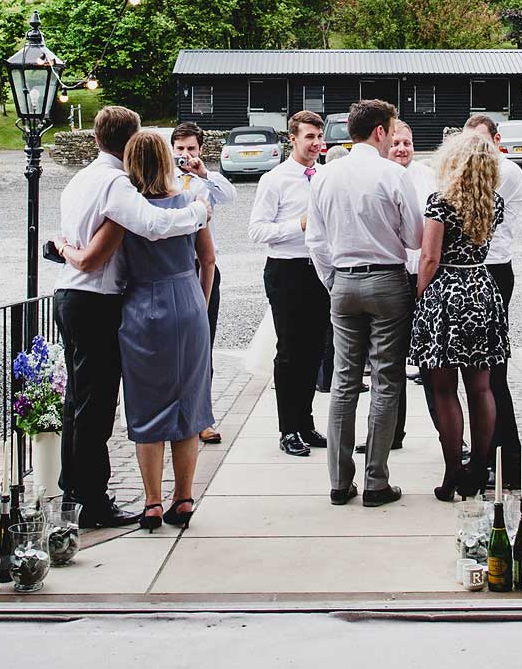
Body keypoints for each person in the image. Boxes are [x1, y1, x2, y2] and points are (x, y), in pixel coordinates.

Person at [50, 106, 210, 529]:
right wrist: (197, 211)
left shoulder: (80, 178)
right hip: (98, 300)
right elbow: (153, 224)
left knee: (81, 401)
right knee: (96, 406)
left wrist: (62, 250)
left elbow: (74, 242)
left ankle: (76, 490)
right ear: (130, 140)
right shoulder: (117, 184)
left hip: (72, 296)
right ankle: (89, 500)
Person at [306, 99, 423, 508]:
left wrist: (333, 280)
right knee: (386, 380)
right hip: (388, 281)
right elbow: (415, 239)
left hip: (343, 282)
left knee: (344, 381)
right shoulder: (392, 174)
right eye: (391, 131)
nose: (393, 138)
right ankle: (376, 481)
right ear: (379, 131)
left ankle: (339, 482)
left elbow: (315, 240)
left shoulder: (324, 176)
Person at [409, 130, 509, 502]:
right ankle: (479, 469)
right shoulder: (493, 203)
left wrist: (420, 294)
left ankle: (453, 471)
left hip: (448, 294)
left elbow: (430, 257)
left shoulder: (441, 202)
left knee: (444, 389)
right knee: (481, 387)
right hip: (482, 290)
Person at [247, 111, 331, 458]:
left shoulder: (327, 176)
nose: (315, 143)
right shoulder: (275, 179)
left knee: (315, 351)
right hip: (286, 270)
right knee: (290, 352)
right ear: (292, 139)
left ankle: (306, 422)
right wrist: (297, 224)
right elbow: (257, 231)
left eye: (319, 136)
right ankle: (288, 428)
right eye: (309, 137)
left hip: (321, 271)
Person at [355, 119, 434, 454]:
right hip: (392, 277)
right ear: (385, 142)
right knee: (389, 363)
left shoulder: (428, 177)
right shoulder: (378, 177)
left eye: (408, 143)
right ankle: (390, 435)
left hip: (427, 279)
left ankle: (449, 433)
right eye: (397, 142)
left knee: (433, 364)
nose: (402, 149)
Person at [463, 114, 522, 487]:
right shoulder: (475, 171)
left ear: (497, 139)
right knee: (480, 371)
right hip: (475, 272)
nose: (476, 150)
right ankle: (490, 448)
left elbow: (477, 223)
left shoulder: (506, 172)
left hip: (494, 270)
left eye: (482, 142)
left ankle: (506, 459)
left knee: (492, 371)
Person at [170, 122, 236, 445]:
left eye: (191, 148)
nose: (185, 154)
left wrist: (205, 173)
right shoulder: (163, 180)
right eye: (180, 149)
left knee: (202, 347)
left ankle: (203, 417)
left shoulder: (205, 182)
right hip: (171, 270)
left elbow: (232, 196)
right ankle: (174, 414)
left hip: (203, 267)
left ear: (200, 150)